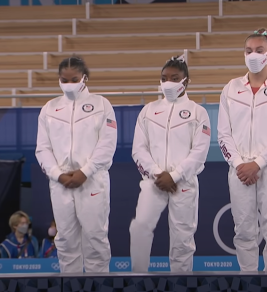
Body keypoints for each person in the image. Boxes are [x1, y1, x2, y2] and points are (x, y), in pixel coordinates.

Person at [217, 28, 267, 272]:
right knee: (243, 231)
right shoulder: (230, 89)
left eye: (259, 51)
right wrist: (239, 164)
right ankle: (248, 279)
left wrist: (259, 163)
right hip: (239, 170)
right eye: (248, 51)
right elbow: (224, 134)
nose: (253, 55)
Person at [35, 56, 117, 273]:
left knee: (95, 238)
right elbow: (42, 148)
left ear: (84, 79)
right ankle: (69, 284)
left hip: (92, 181)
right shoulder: (49, 109)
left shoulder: (102, 105)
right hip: (61, 183)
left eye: (74, 79)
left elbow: (107, 145)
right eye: (64, 80)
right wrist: (57, 175)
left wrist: (85, 171)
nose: (69, 84)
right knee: (65, 241)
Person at [129, 55, 211, 272]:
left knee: (182, 238)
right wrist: (157, 174)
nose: (168, 83)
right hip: (153, 182)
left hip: (183, 183)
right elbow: (138, 149)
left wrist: (175, 175)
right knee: (139, 227)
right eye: (164, 78)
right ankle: (138, 277)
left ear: (186, 81)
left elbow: (199, 152)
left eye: (175, 78)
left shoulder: (197, 112)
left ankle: (181, 280)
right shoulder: (148, 111)